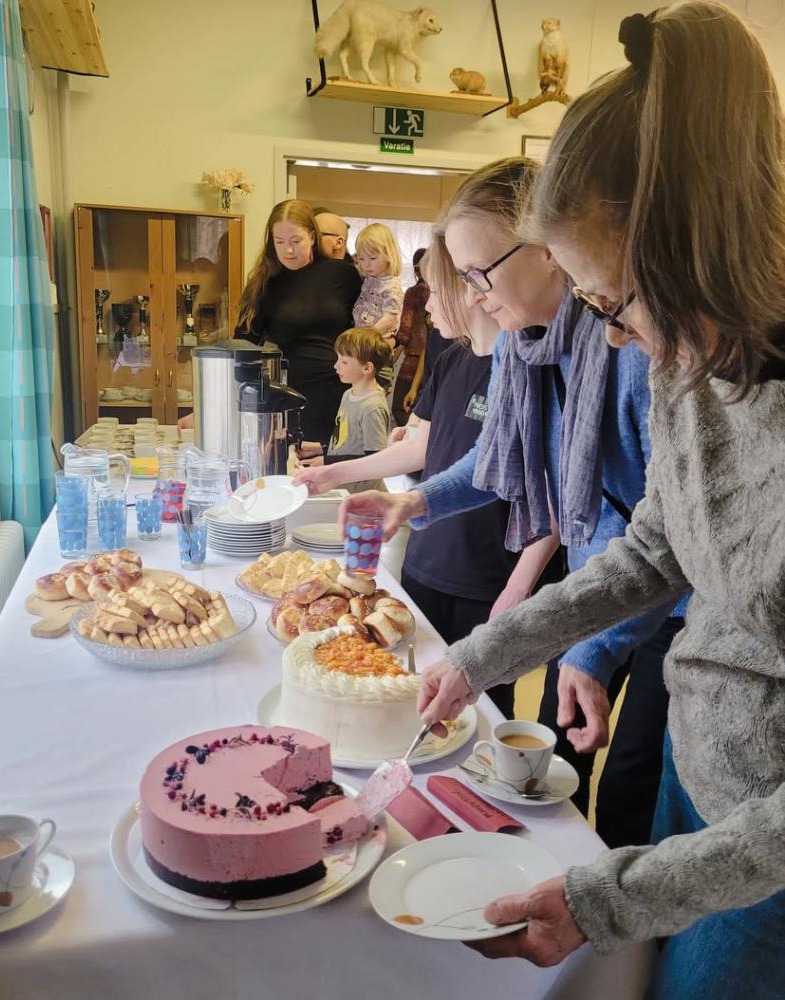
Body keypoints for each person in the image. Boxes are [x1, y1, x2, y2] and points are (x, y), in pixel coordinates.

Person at [415, 5, 785, 997]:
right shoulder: (689, 368)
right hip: (692, 757)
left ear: (691, 244)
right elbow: (645, 554)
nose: (610, 341)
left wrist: (605, 899)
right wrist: (479, 655)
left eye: (610, 302)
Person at [340, 156, 686, 845]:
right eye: (463, 278)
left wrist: (596, 646)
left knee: (632, 789)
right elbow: (499, 463)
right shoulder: (526, 351)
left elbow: (665, 535)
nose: (471, 294)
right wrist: (417, 503)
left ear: (551, 253)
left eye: (479, 274)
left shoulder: (629, 348)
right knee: (565, 759)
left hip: (672, 609)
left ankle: (623, 939)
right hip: (600, 590)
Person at [295, 239, 556, 707]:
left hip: (489, 575)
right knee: (407, 690)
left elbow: (552, 486)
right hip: (428, 559)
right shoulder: (453, 360)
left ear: (470, 289)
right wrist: (335, 473)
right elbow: (422, 447)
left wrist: (522, 583)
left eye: (433, 290)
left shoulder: (531, 368)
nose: (427, 304)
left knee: (481, 711)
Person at [234, 199, 361, 446]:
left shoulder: (343, 274)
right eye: (279, 242)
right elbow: (242, 346)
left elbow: (367, 328)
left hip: (342, 391)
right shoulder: (265, 284)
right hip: (289, 397)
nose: (288, 251)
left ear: (312, 237)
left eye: (296, 241)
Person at [296, 326, 391, 492]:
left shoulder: (372, 408)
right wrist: (320, 448)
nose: (335, 366)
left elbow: (375, 459)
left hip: (362, 494)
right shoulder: (348, 394)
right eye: (338, 359)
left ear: (367, 368)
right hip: (342, 486)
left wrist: (327, 462)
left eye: (344, 362)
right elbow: (348, 441)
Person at [353, 223, 404, 392]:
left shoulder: (391, 285)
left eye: (373, 258)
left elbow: (390, 318)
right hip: (364, 342)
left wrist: (367, 335)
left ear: (389, 255)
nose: (366, 264)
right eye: (361, 259)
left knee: (376, 390)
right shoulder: (370, 279)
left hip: (378, 344)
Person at [392, 248, 430, 425]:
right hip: (433, 360)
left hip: (413, 360)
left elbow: (405, 331)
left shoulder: (414, 293)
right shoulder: (438, 291)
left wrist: (391, 356)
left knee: (401, 409)